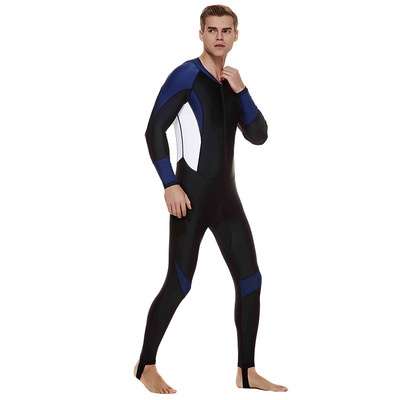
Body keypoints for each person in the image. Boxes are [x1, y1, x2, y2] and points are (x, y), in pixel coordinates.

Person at [134, 4, 288, 394]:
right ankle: (145, 365)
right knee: (179, 282)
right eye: (212, 30)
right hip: (190, 197)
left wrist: (243, 90)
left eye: (226, 30)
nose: (219, 36)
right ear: (200, 33)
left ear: (236, 36)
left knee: (250, 279)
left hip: (227, 199)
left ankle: (246, 371)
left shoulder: (232, 83)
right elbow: (154, 129)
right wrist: (169, 184)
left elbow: (259, 135)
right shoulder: (186, 75)